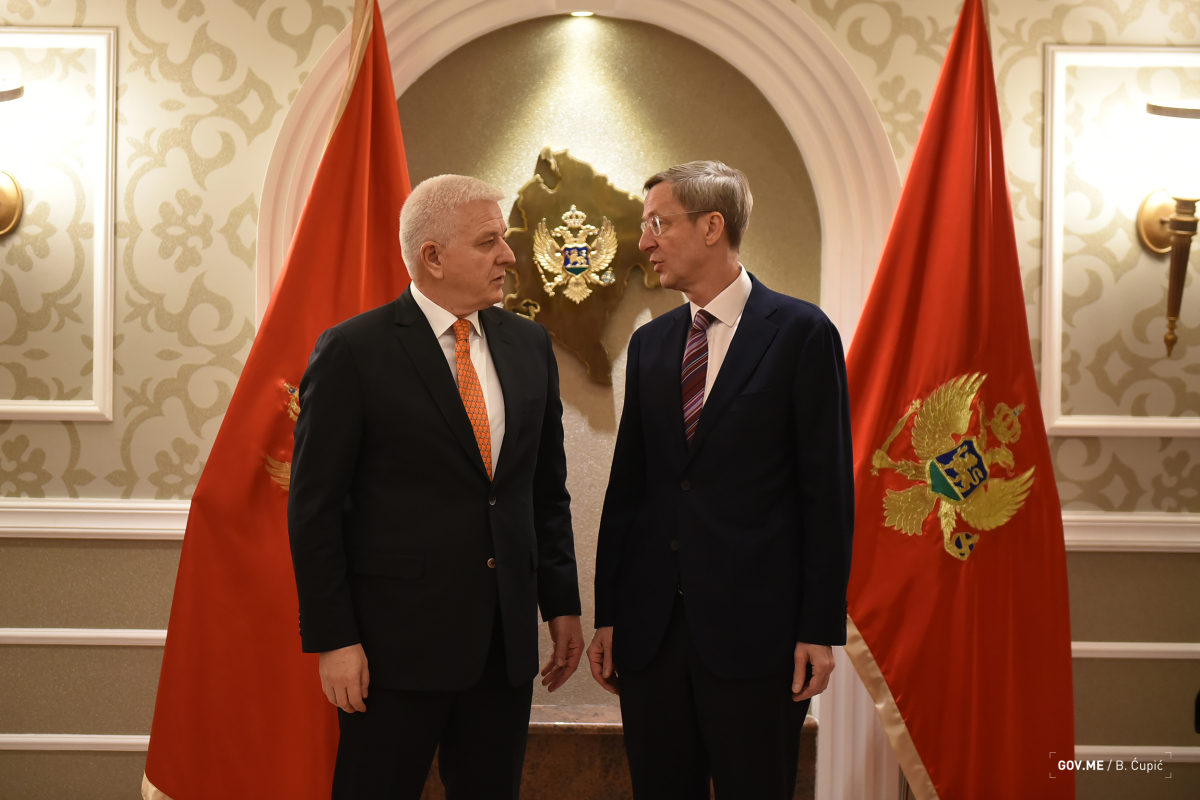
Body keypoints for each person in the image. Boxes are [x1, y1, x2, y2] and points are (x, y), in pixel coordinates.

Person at [288, 174, 585, 800]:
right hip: (392, 650)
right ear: (433, 256)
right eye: (488, 242)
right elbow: (314, 511)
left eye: (504, 239)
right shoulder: (353, 351)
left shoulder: (529, 344)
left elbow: (544, 490)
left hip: (502, 648)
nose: (508, 255)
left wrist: (561, 605)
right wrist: (335, 639)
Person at [587, 161, 854, 799]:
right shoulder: (651, 345)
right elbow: (629, 490)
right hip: (652, 634)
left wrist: (819, 628)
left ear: (712, 227)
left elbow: (827, 496)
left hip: (758, 636)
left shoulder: (802, 333)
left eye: (658, 223)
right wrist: (610, 614)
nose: (644, 241)